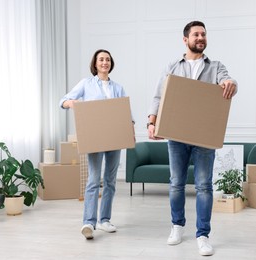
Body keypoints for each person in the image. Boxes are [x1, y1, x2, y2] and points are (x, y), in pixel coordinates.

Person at [147, 21, 237, 256]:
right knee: (176, 183)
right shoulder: (172, 66)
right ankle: (177, 226)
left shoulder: (216, 66)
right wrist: (151, 122)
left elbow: (229, 81)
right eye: (196, 34)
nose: (201, 37)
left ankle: (203, 235)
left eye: (203, 34)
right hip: (176, 135)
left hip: (204, 136)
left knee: (204, 186)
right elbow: (158, 95)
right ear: (185, 39)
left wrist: (230, 83)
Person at [59, 49, 134, 240]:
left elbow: (126, 112)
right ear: (95, 63)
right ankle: (89, 223)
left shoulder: (118, 87)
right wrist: (72, 103)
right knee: (94, 180)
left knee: (110, 180)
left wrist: (130, 130)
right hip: (95, 138)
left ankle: (105, 220)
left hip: (115, 138)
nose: (104, 62)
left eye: (108, 59)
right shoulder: (86, 84)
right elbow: (63, 101)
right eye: (101, 59)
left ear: (111, 64)